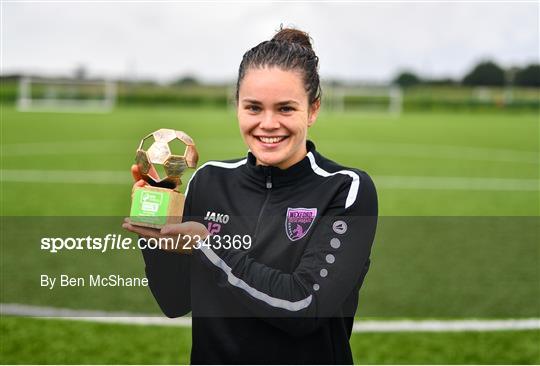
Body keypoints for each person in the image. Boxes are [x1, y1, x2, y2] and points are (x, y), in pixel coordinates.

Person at [123, 27, 378, 365]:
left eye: (285, 109)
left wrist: (208, 243)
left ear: (312, 109)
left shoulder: (345, 189)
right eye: (254, 108)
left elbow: (304, 307)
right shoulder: (209, 181)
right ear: (238, 106)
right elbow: (175, 301)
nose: (267, 123)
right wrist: (156, 228)